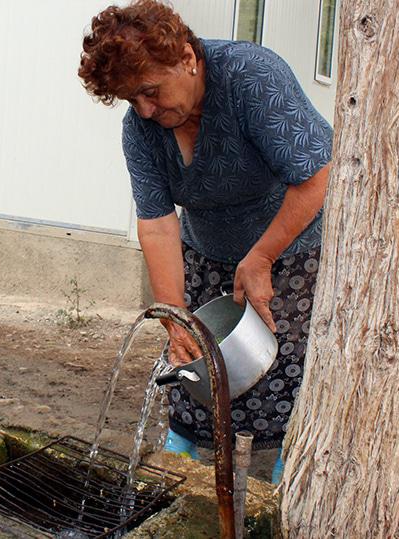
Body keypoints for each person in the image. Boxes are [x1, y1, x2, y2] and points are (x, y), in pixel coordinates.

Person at [78, 0, 332, 481]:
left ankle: (289, 477)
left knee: (287, 367)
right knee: (195, 362)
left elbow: (314, 176)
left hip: (293, 249)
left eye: (150, 91)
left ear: (188, 59)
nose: (146, 109)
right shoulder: (142, 129)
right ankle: (180, 467)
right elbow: (156, 223)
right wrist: (174, 317)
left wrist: (261, 258)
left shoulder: (251, 77)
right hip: (206, 250)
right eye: (133, 99)